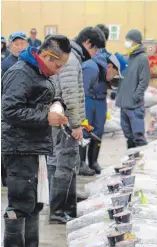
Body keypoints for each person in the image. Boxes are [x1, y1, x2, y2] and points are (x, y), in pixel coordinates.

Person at [1, 35, 71, 247]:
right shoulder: (21, 72)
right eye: (58, 65)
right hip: (18, 148)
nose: (58, 71)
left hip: (34, 146)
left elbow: (39, 99)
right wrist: (45, 117)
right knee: (18, 205)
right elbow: (9, 110)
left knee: (34, 203)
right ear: (47, 56)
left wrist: (56, 104)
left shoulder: (39, 73)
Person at [48, 27, 106, 225]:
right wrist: (75, 124)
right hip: (64, 121)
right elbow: (71, 95)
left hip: (62, 118)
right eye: (96, 50)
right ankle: (58, 211)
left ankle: (67, 206)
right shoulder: (71, 60)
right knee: (64, 163)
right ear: (88, 43)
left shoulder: (71, 57)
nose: (96, 55)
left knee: (64, 162)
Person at [81, 52, 127, 174]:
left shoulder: (104, 72)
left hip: (100, 101)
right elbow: (82, 90)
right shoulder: (91, 68)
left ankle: (93, 162)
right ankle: (81, 164)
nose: (113, 78)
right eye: (115, 74)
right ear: (110, 66)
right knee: (85, 131)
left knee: (98, 131)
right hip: (88, 100)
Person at [115, 29, 150, 148]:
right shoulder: (126, 58)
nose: (126, 43)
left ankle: (142, 161)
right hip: (124, 104)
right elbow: (122, 79)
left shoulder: (142, 59)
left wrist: (136, 96)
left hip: (134, 105)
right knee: (128, 135)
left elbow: (143, 81)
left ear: (135, 42)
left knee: (138, 135)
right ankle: (131, 160)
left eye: (129, 40)